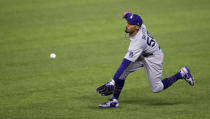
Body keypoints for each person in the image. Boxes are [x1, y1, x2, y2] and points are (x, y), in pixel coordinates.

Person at [96, 11, 194, 108]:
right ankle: (114, 101)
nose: (127, 25)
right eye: (127, 23)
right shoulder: (141, 25)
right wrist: (127, 15)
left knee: (157, 88)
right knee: (122, 74)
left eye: (130, 24)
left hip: (154, 57)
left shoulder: (137, 43)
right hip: (143, 53)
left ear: (137, 27)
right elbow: (132, 17)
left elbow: (124, 63)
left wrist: (113, 82)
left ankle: (181, 74)